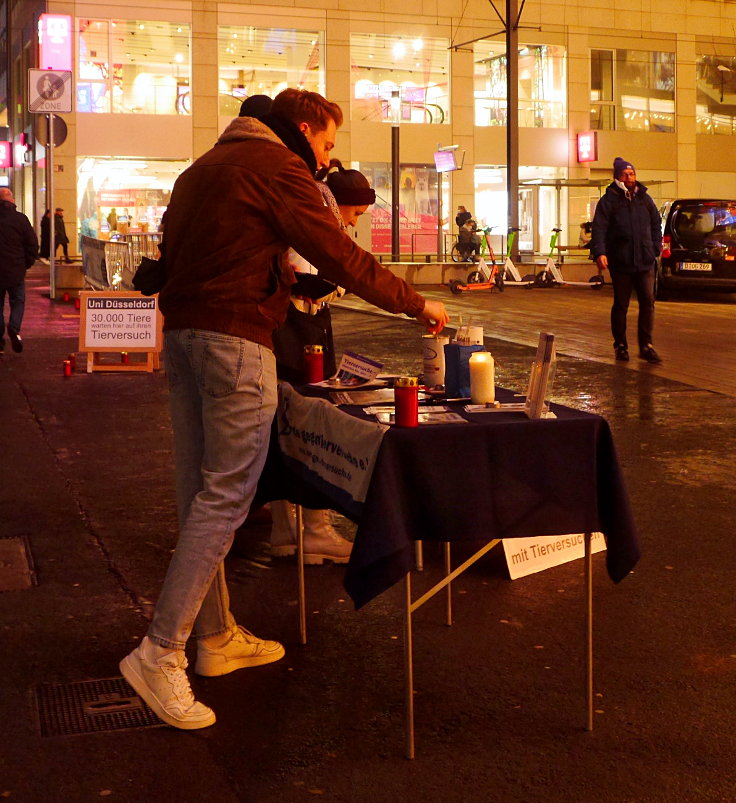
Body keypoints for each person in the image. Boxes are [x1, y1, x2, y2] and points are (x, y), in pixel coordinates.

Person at [118, 87, 449, 730]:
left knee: (202, 498)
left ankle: (213, 637)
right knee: (230, 496)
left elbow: (186, 261)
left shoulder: (202, 169)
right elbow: (339, 253)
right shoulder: (277, 168)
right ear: (303, 129)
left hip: (184, 339)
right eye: (326, 143)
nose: (326, 159)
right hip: (236, 340)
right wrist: (417, 302)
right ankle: (160, 653)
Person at [270, 160, 377, 565]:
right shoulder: (313, 219)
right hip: (295, 330)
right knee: (308, 419)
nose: (354, 224)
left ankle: (289, 529)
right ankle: (311, 531)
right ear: (338, 204)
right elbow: (302, 271)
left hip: (301, 327)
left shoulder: (313, 211)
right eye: (355, 214)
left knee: (286, 422)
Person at [591, 157, 662, 364]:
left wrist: (655, 248)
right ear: (617, 177)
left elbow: (656, 223)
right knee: (621, 304)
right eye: (626, 174)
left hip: (645, 259)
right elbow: (600, 228)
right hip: (621, 260)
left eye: (632, 174)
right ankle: (621, 345)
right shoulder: (610, 200)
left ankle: (646, 345)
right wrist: (600, 252)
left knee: (648, 302)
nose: (630, 177)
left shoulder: (644, 198)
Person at [0, 188, 39, 355]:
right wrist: (26, 264)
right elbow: (32, 244)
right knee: (18, 301)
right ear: (11, 200)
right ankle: (14, 328)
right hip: (16, 269)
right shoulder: (21, 219)